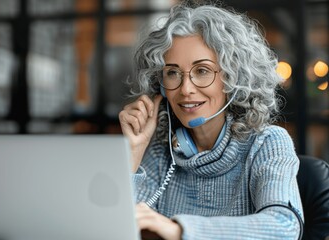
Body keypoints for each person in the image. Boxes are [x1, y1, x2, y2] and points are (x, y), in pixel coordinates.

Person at [119, 2, 303, 240]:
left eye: (202, 71)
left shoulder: (267, 143)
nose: (185, 89)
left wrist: (180, 231)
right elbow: (115, 226)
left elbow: (285, 227)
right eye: (173, 72)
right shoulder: (162, 151)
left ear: (233, 78)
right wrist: (133, 150)